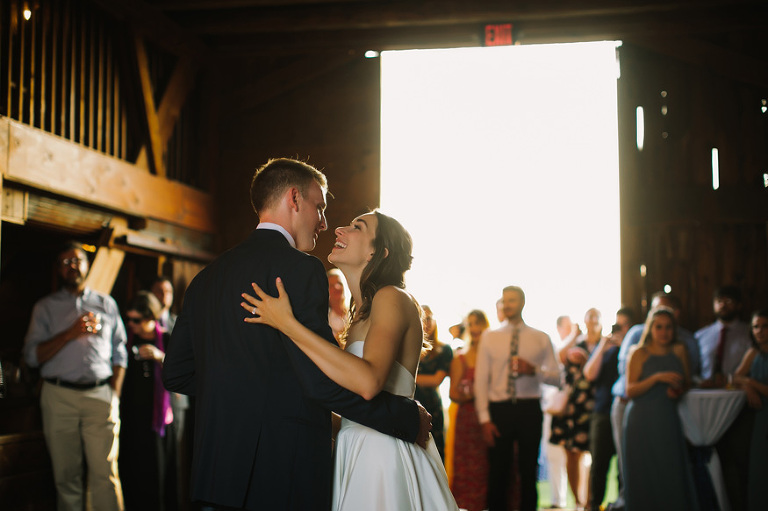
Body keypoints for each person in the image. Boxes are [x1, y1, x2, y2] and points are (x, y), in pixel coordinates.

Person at [162, 158, 429, 511]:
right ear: (294, 198)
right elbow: (316, 383)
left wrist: (241, 391)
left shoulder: (206, 279)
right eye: (320, 207)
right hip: (283, 471)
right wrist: (402, 417)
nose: (324, 223)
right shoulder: (300, 269)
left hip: (214, 474)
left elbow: (176, 373)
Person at [240, 209, 458, 510]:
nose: (340, 229)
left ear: (378, 251)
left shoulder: (392, 296)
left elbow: (368, 382)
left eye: (357, 226)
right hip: (355, 446)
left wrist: (288, 324)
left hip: (383, 453)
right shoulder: (361, 314)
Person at [23, 241, 127, 511]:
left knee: (106, 474)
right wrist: (70, 333)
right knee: (66, 477)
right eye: (66, 262)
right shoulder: (45, 308)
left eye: (77, 260)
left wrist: (114, 392)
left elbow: (120, 350)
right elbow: (32, 356)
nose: (73, 266)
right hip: (59, 397)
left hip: (100, 396)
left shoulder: (106, 303)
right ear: (59, 269)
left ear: (87, 265)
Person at [609, 291, 698, 511]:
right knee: (642, 470)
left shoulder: (680, 350)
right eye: (659, 327)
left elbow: (686, 382)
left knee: (670, 466)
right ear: (650, 327)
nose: (664, 332)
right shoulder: (638, 352)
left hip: (667, 415)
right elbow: (631, 389)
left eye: (668, 327)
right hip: (641, 417)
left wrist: (678, 389)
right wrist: (657, 378)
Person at [475, 285, 560, 511]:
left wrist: (534, 370)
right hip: (499, 409)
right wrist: (484, 418)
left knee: (528, 470)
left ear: (522, 303)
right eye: (504, 301)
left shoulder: (541, 338)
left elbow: (558, 379)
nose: (507, 305)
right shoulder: (490, 337)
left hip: (529, 409)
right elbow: (481, 380)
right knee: (498, 472)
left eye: (512, 300)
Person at [696, 285, 753, 510]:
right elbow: (693, 371)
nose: (723, 305)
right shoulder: (701, 335)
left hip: (739, 407)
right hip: (707, 411)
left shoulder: (751, 334)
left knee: (738, 463)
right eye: (720, 300)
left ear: (738, 305)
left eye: (729, 300)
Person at [119, 291, 176, 511]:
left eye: (137, 320)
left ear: (151, 318)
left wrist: (160, 357)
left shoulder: (168, 338)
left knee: (155, 471)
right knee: (132, 469)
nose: (131, 324)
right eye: (129, 319)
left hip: (157, 419)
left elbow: (185, 373)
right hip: (132, 416)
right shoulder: (127, 338)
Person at [549, 308, 603, 509]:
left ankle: (590, 500)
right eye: (589, 316)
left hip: (593, 404)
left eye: (596, 317)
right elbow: (559, 356)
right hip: (571, 405)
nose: (593, 320)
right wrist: (573, 335)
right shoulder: (577, 342)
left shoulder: (604, 345)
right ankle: (579, 501)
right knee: (571, 452)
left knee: (593, 453)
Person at [583, 312, 625, 511]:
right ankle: (594, 505)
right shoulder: (606, 350)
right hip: (602, 411)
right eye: (617, 326)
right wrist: (603, 345)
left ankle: (623, 503)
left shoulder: (634, 349)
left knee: (625, 466)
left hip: (626, 412)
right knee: (599, 463)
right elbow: (590, 374)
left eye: (623, 327)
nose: (619, 331)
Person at [449, 309, 490, 511]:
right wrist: (473, 394)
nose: (475, 328)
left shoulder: (494, 356)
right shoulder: (461, 358)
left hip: (492, 417)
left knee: (490, 466)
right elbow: (453, 393)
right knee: (468, 468)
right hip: (468, 419)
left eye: (478, 323)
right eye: (471, 323)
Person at [734, 309, 768, 511]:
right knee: (758, 467)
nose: (760, 331)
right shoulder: (753, 353)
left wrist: (750, 383)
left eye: (765, 326)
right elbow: (735, 377)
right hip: (758, 416)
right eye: (756, 327)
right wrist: (746, 386)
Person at [415, 304, 453, 461]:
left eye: (429, 318)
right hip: (411, 404)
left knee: (435, 454)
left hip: (432, 407)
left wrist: (408, 377)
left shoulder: (444, 350)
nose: (426, 323)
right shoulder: (407, 347)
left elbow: (436, 380)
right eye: (422, 319)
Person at [327, 268, 349, 342]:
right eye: (331, 285)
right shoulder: (324, 318)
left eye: (339, 283)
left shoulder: (356, 311)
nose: (336, 287)